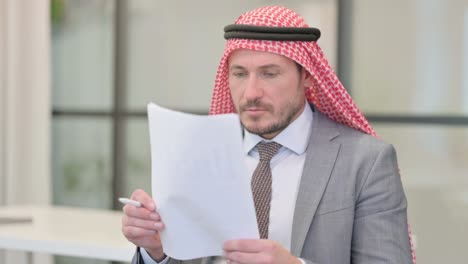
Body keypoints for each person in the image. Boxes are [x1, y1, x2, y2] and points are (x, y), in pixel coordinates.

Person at [122, 5, 415, 264]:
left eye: (269, 73)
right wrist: (157, 252)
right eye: (239, 74)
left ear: (307, 75)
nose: (251, 93)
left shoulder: (366, 162)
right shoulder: (199, 152)